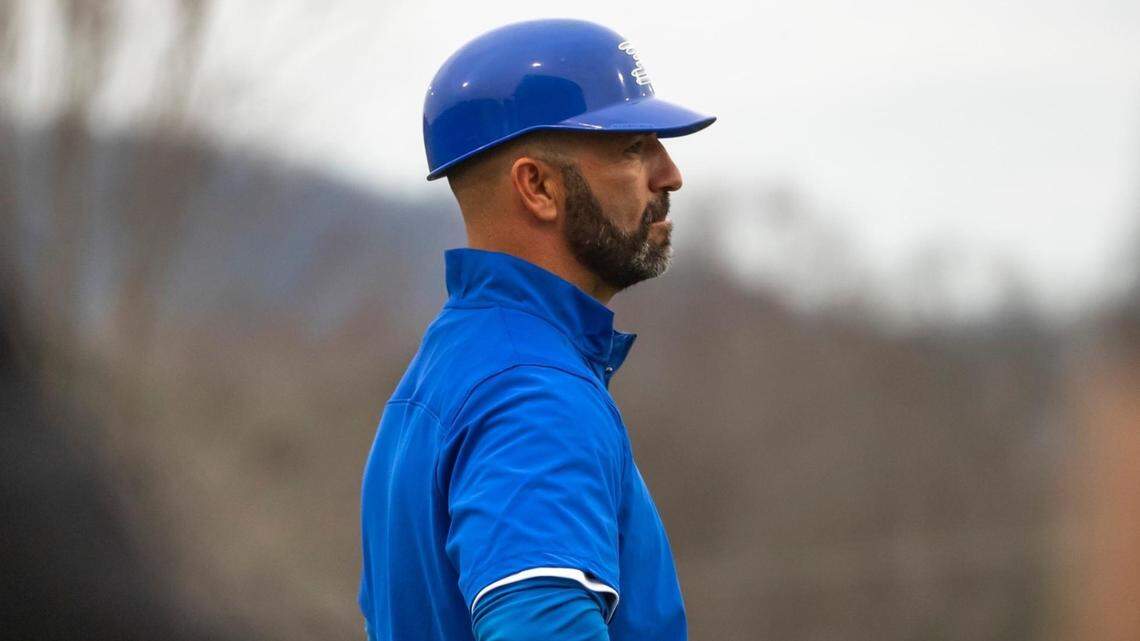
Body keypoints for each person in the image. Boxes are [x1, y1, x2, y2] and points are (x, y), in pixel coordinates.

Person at [358, 18, 715, 641]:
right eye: (633, 148)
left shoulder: (448, 372)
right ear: (538, 186)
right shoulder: (534, 395)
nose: (670, 174)